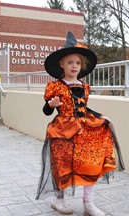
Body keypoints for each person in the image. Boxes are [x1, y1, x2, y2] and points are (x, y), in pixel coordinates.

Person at [35, 32, 125, 216]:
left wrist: (101, 116)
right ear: (62, 64)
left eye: (77, 62)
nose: (74, 66)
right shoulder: (56, 87)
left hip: (83, 129)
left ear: (81, 65)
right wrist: (50, 105)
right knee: (62, 165)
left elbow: (83, 108)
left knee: (91, 163)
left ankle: (88, 203)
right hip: (62, 130)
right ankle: (58, 200)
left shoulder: (84, 86)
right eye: (70, 62)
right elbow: (46, 111)